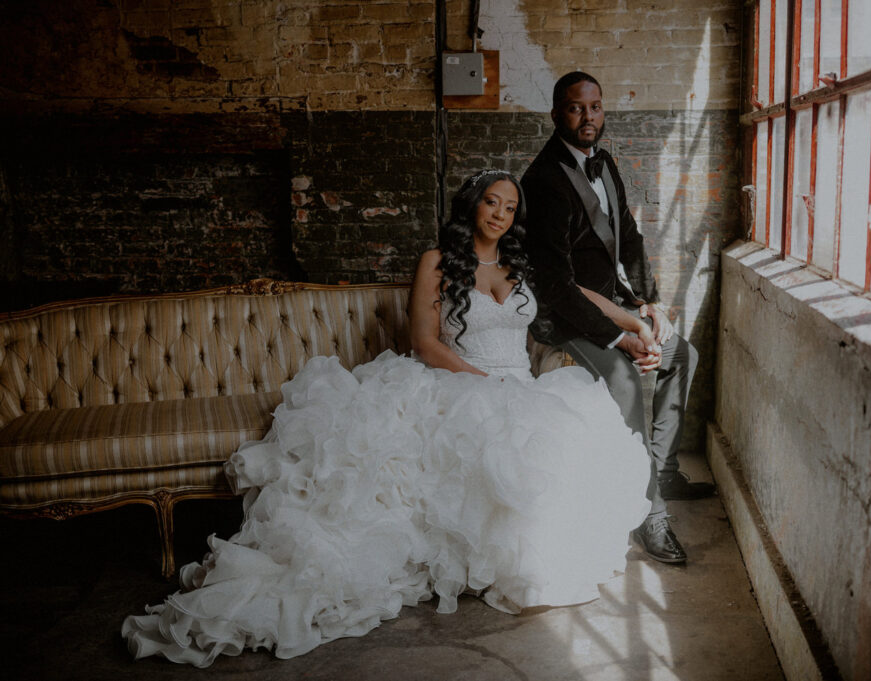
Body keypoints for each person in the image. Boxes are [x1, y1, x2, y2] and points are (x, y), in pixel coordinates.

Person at [120, 170, 652, 667]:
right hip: (459, 381)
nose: (500, 214)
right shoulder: (437, 260)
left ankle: (514, 560)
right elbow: (423, 343)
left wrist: (633, 319)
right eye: (492, 202)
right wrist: (481, 380)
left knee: (560, 451)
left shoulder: (524, 262)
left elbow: (574, 294)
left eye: (511, 207)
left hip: (522, 387)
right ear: (473, 205)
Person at [521, 71, 715, 566]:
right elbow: (556, 285)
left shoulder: (604, 163)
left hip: (613, 305)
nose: (588, 118)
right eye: (575, 108)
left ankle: (664, 467)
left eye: (596, 107)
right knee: (626, 382)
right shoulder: (543, 181)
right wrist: (618, 337)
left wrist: (649, 303)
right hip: (564, 319)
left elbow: (629, 238)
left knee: (681, 355)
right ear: (556, 114)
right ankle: (650, 511)